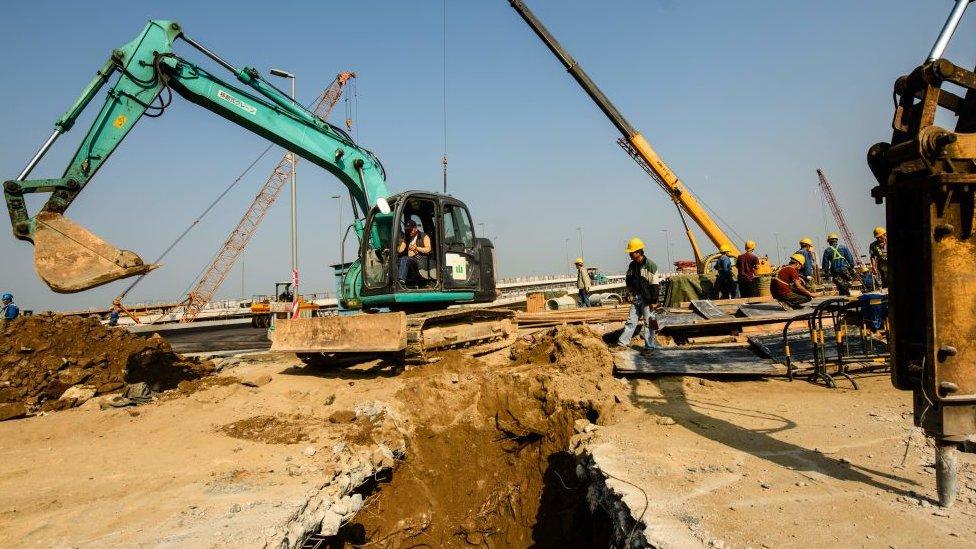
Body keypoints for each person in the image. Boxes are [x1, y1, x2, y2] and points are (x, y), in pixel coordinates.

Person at [615, 237, 661, 351]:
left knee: (648, 323)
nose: (630, 254)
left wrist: (653, 301)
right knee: (631, 321)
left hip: (647, 299)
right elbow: (628, 280)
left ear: (639, 252)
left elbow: (655, 285)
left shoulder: (650, 266)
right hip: (636, 297)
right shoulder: (632, 265)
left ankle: (649, 347)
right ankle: (622, 343)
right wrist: (630, 293)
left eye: (632, 252)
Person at [397, 219, 432, 285]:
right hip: (411, 260)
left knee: (405, 258)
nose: (409, 231)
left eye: (411, 229)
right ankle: (395, 279)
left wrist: (417, 248)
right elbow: (401, 249)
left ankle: (401, 280)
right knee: (397, 260)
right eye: (407, 230)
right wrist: (394, 248)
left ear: (415, 228)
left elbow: (428, 249)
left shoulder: (424, 236)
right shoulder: (407, 238)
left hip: (420, 260)